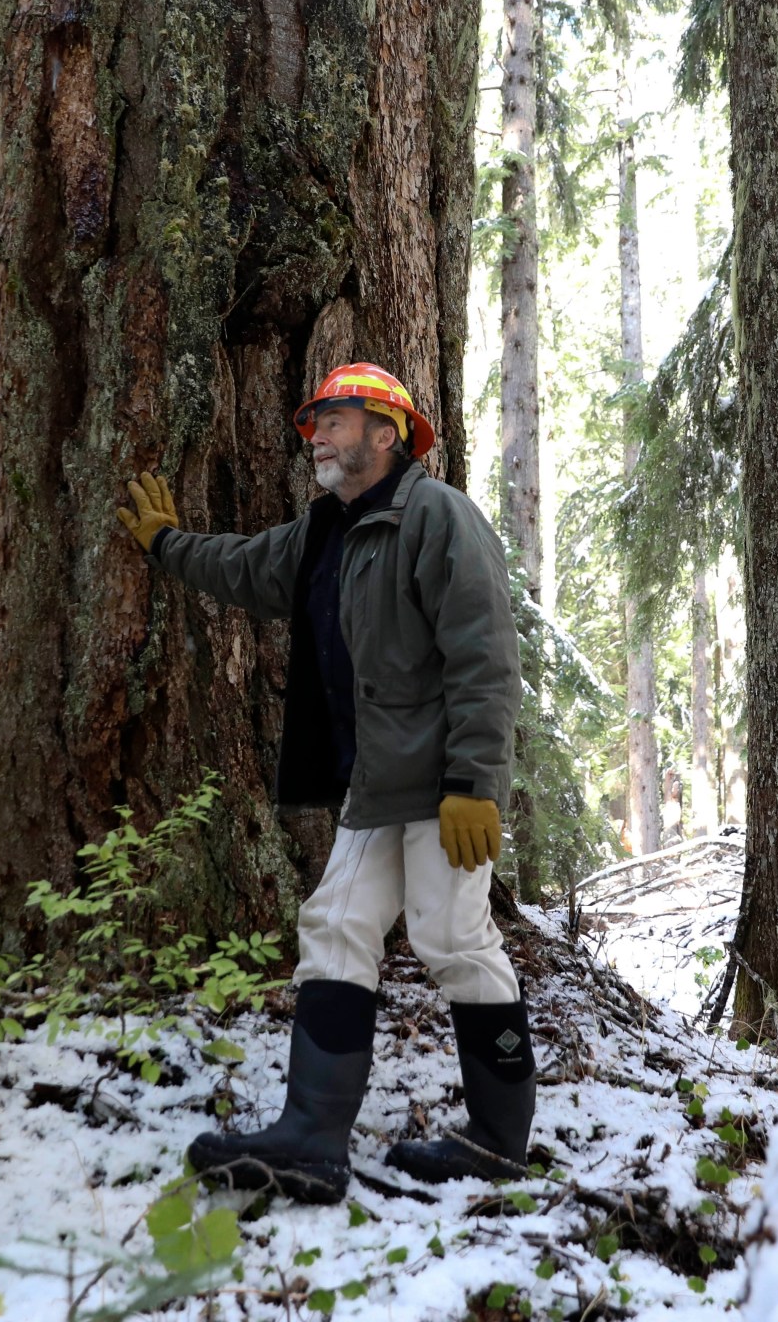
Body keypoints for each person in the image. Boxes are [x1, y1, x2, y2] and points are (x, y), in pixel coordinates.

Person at [115, 363, 534, 1203]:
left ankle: (496, 1141)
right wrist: (166, 544)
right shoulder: (323, 534)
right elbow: (239, 566)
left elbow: (486, 656)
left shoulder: (436, 517)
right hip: (374, 786)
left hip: (440, 786)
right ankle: (311, 1139)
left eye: (336, 421)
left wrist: (474, 781)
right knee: (337, 924)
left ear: (387, 433)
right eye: (315, 424)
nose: (318, 437)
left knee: (453, 942)